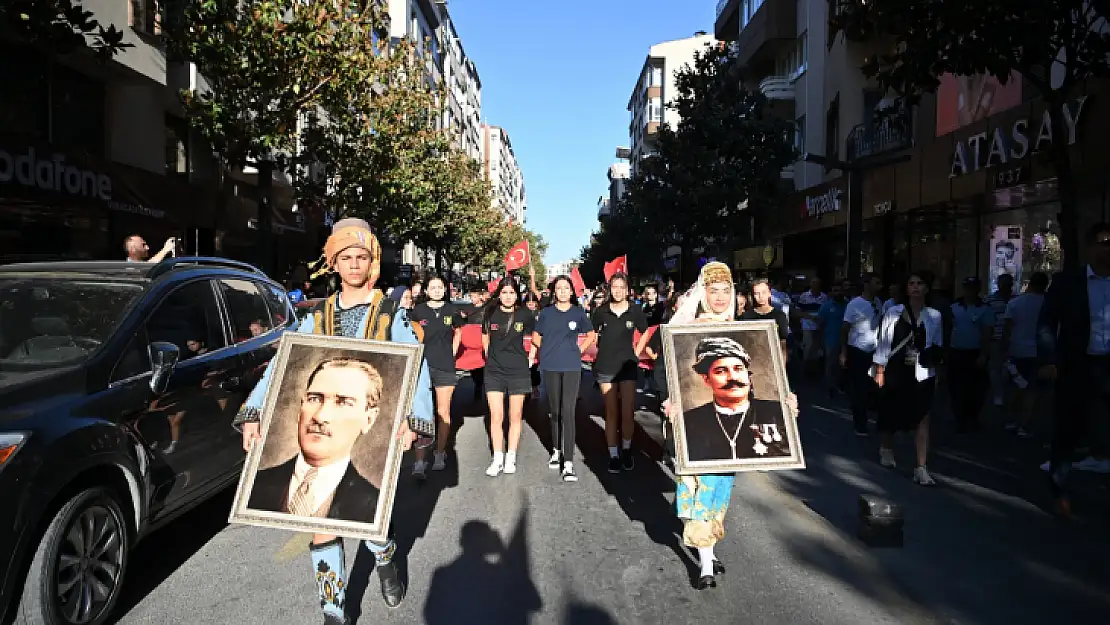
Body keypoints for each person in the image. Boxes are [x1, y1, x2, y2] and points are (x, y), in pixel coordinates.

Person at [233, 218, 429, 623]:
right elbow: (283, 365)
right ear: (334, 264)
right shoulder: (315, 315)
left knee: (368, 517)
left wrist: (414, 418)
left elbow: (415, 368)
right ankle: (333, 611)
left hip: (369, 427)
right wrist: (255, 412)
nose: (354, 264)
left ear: (371, 261)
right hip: (324, 424)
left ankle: (386, 557)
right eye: (346, 257)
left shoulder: (391, 313)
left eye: (361, 257)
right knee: (321, 520)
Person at [662, 262, 798, 589]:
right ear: (703, 293)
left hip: (731, 428)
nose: (720, 297)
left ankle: (706, 554)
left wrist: (786, 399)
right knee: (694, 490)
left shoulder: (744, 329)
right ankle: (706, 556)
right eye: (714, 291)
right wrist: (668, 400)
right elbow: (669, 372)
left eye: (726, 291)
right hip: (691, 425)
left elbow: (769, 377)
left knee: (717, 489)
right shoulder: (685, 328)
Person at [248, 359, 383, 519]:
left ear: (368, 419)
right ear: (300, 408)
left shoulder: (375, 505)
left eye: (343, 403)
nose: (320, 416)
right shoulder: (255, 485)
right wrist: (250, 414)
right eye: (314, 399)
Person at [1038, 222, 1110, 518]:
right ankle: (1059, 488)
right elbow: (1046, 322)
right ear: (1091, 247)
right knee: (1067, 429)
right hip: (1076, 365)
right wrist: (1048, 359)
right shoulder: (1068, 282)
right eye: (1103, 242)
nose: (1107, 248)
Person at [873, 273, 944, 486]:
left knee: (923, 416)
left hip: (922, 370)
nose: (915, 287)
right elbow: (884, 341)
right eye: (911, 283)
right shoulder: (894, 312)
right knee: (890, 409)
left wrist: (937, 369)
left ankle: (921, 467)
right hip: (896, 368)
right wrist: (879, 370)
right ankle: (886, 447)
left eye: (920, 283)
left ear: (926, 289)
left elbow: (937, 344)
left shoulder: (934, 316)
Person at [682, 337, 791, 462]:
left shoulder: (778, 411)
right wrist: (671, 423)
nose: (732, 377)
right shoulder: (689, 420)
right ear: (707, 379)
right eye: (721, 371)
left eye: (738, 369)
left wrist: (792, 414)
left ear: (748, 374)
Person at [532, 275, 596, 482]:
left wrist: (578, 351)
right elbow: (535, 337)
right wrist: (549, 351)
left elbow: (591, 335)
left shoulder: (578, 313)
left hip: (571, 367)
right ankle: (556, 449)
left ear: (571, 292)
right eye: (558, 288)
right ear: (554, 292)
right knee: (555, 411)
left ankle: (568, 462)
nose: (562, 292)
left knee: (568, 412)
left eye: (565, 288)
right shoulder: (546, 314)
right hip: (550, 367)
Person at [591, 272, 649, 473]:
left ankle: (626, 448)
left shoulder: (635, 311)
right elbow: (591, 333)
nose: (618, 291)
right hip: (606, 366)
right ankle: (613, 454)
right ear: (609, 289)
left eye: (621, 287)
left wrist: (637, 352)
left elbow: (645, 332)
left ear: (628, 290)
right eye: (614, 287)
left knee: (627, 410)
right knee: (611, 412)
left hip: (627, 367)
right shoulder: (601, 311)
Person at [482, 276, 537, 477]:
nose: (507, 296)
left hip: (518, 372)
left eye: (511, 292)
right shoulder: (490, 312)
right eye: (504, 292)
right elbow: (485, 337)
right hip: (494, 372)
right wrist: (489, 357)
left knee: (515, 416)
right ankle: (497, 457)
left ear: (517, 294)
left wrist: (531, 356)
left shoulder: (525, 315)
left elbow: (536, 336)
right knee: (496, 416)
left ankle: (510, 456)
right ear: (499, 294)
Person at [409, 276, 462, 478]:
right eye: (433, 287)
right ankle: (420, 461)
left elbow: (459, 332)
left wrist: (452, 352)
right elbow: (412, 336)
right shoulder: (418, 311)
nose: (437, 290)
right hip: (422, 367)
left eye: (440, 287)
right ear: (427, 290)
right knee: (422, 413)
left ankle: (440, 453)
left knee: (443, 412)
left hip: (445, 367)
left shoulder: (452, 310)